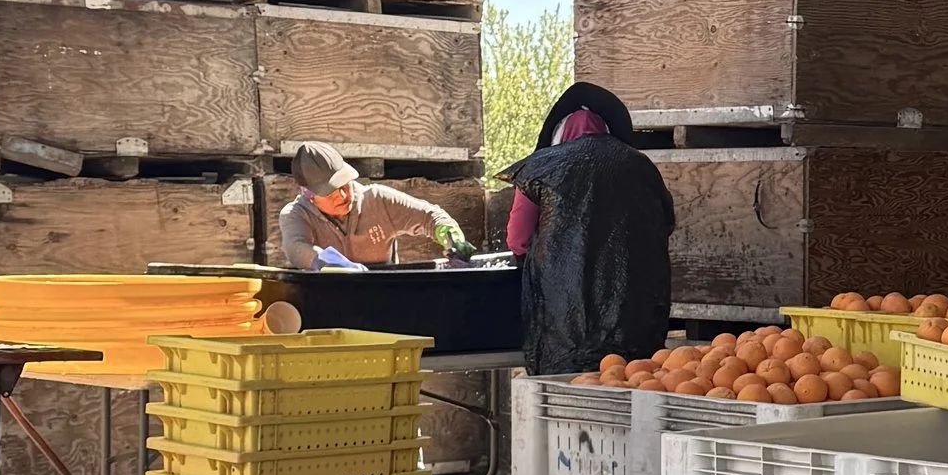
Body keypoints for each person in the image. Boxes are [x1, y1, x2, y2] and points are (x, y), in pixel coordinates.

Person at [502, 82, 675, 376]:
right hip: (634, 321)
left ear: (557, 133)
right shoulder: (642, 167)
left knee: (568, 391)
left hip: (563, 324)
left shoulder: (541, 168)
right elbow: (667, 224)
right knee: (632, 384)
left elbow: (517, 238)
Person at [277, 143, 471, 270]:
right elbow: (296, 248)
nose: (343, 196)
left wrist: (452, 238)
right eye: (330, 192)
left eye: (344, 184)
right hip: (330, 299)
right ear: (309, 195)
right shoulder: (295, 214)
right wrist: (332, 264)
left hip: (384, 295)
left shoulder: (379, 200)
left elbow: (431, 216)